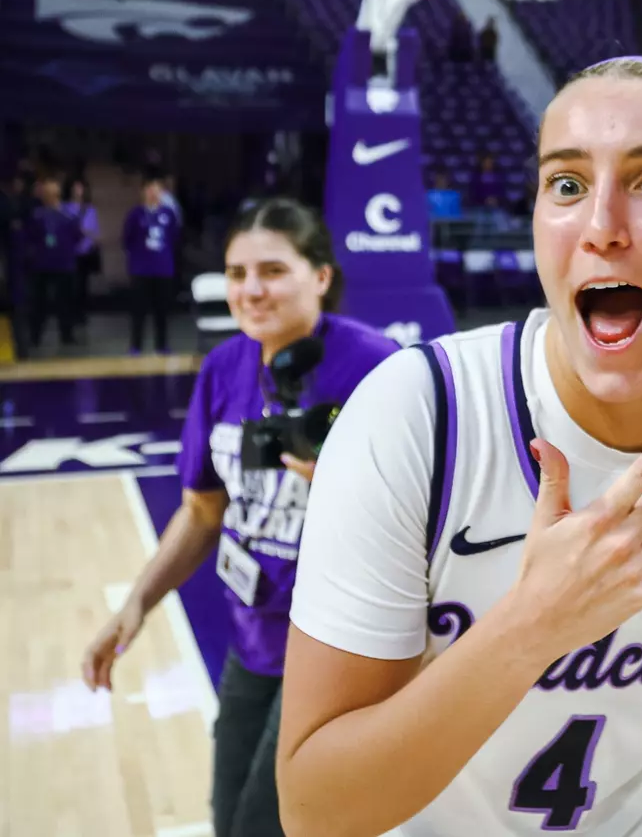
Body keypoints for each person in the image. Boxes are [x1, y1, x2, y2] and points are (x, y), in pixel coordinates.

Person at [278, 56, 642, 837]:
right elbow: (316, 808)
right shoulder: (420, 411)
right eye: (566, 185)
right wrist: (532, 626)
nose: (603, 226)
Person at [83, 199, 398, 837]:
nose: (251, 290)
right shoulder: (223, 369)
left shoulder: (381, 367)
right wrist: (139, 601)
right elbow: (202, 510)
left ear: (321, 277)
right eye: (236, 273)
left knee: (268, 822)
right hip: (250, 636)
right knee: (229, 819)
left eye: (273, 270)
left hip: (338, 645)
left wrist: (344, 484)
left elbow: (424, 524)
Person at [125, 174, 181, 354]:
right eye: (149, 188)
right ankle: (136, 346)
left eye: (157, 188)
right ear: (143, 192)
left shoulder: (169, 213)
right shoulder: (135, 214)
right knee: (138, 311)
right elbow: (127, 239)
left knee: (162, 311)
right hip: (141, 269)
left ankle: (162, 345)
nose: (153, 192)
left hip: (163, 269)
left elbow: (174, 238)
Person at [25, 175, 82, 349]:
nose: (48, 196)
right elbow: (31, 236)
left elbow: (77, 236)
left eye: (51, 192)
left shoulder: (68, 215)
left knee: (65, 301)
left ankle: (67, 335)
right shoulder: (37, 215)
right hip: (42, 264)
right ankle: (35, 335)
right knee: (39, 302)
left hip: (64, 264)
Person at [62, 178, 100, 334]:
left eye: (81, 188)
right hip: (69, 252)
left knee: (83, 285)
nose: (78, 191)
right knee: (70, 286)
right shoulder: (64, 208)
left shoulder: (90, 209)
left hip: (85, 252)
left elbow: (94, 231)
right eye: (75, 188)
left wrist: (85, 234)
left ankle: (81, 313)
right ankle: (69, 315)